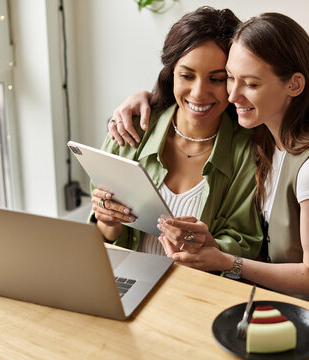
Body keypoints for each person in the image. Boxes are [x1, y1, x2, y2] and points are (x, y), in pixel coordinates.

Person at [110, 13, 309, 317]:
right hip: (277, 302)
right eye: (231, 78)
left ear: (294, 85)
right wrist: (146, 98)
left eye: (249, 83)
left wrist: (226, 262)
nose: (232, 95)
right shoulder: (264, 138)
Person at [90, 7, 263, 261]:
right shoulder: (129, 129)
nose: (198, 93)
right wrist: (108, 222)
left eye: (216, 79)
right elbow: (99, 237)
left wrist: (208, 245)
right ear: (171, 73)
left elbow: (245, 244)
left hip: (198, 289)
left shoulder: (248, 150)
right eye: (187, 75)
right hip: (125, 280)